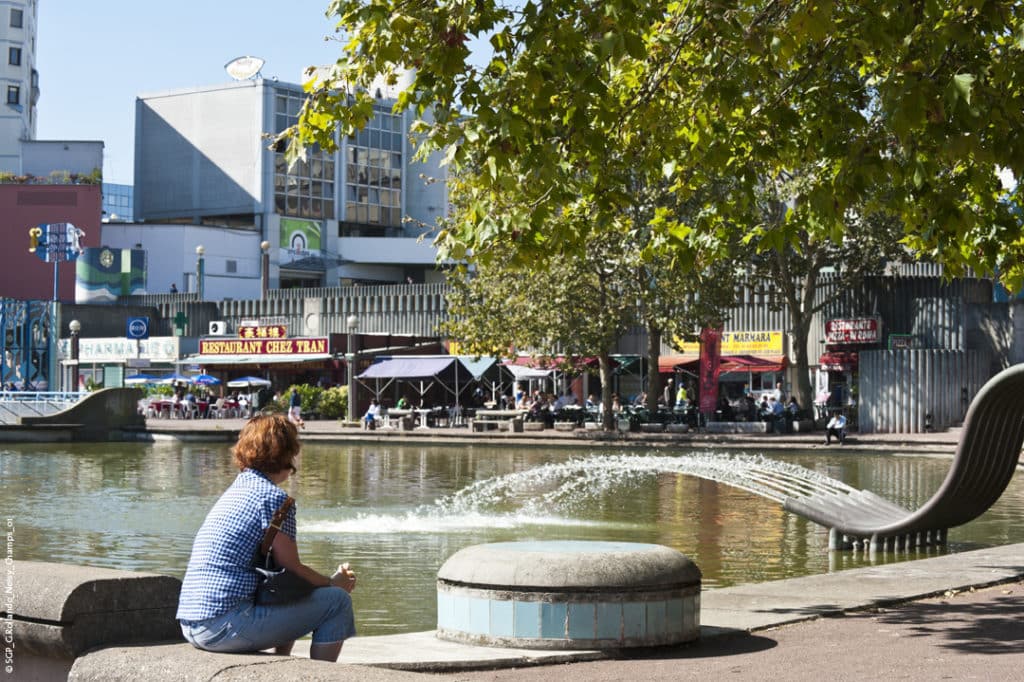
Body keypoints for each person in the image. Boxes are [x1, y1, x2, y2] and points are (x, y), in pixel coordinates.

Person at [177, 415, 356, 661]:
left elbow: (285, 585)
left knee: (288, 590)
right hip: (224, 626)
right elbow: (291, 568)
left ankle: (283, 666)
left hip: (192, 625)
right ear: (286, 454)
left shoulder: (236, 490)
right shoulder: (273, 500)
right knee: (337, 602)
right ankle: (320, 676)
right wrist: (333, 583)